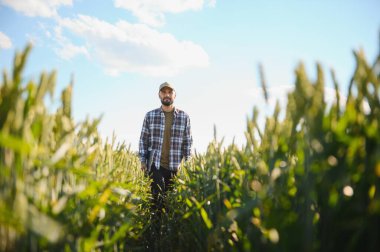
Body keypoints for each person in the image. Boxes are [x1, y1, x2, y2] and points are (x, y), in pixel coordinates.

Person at [139, 82, 193, 214]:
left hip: (175, 167)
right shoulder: (150, 115)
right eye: (164, 92)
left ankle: (165, 231)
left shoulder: (184, 117)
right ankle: (155, 231)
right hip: (155, 164)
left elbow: (188, 142)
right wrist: (142, 160)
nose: (167, 95)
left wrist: (188, 163)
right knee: (157, 197)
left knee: (168, 203)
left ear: (174, 95)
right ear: (159, 95)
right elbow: (143, 139)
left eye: (170, 92)